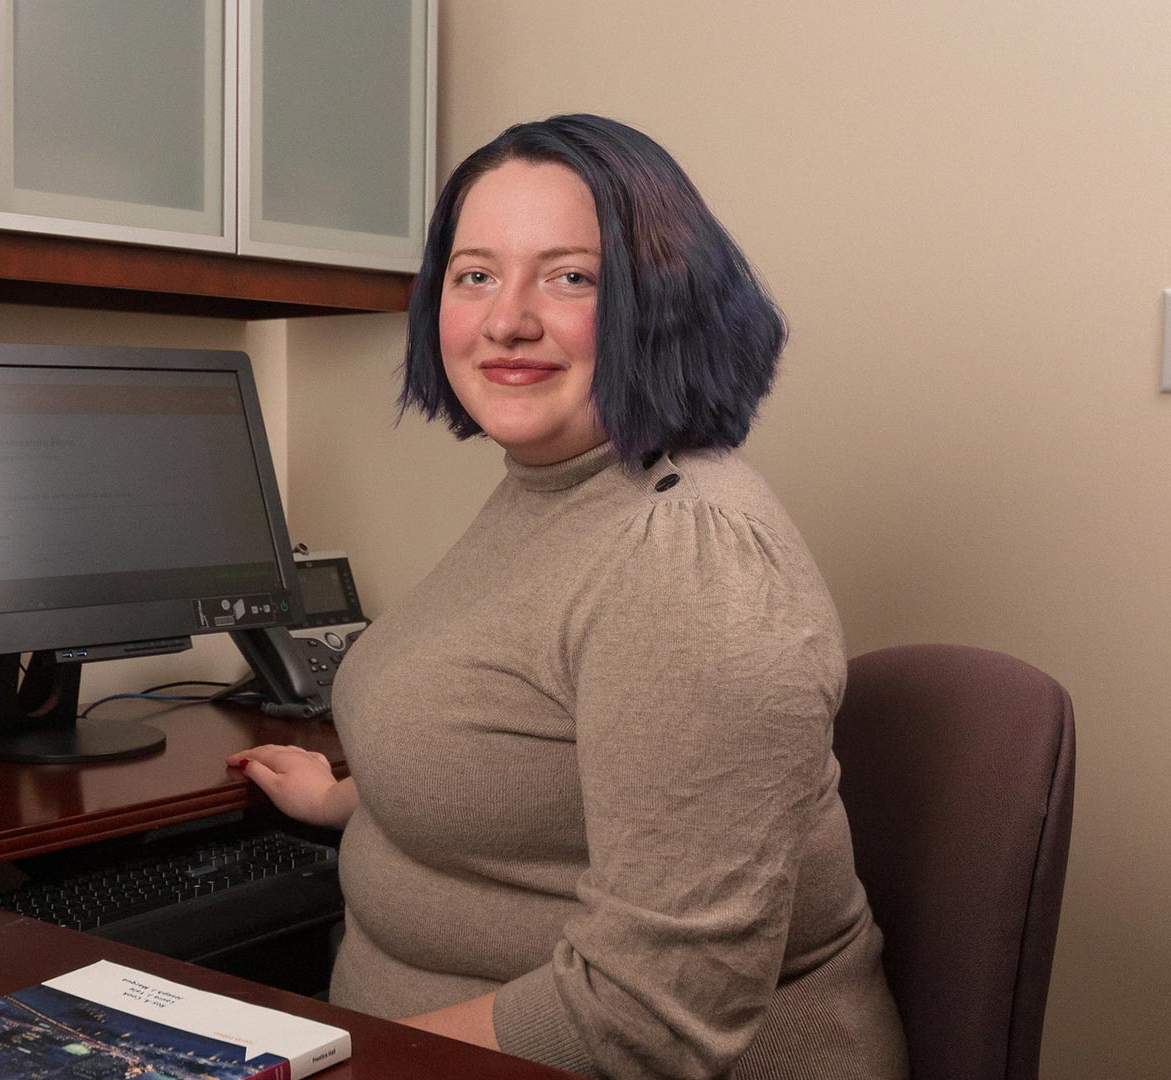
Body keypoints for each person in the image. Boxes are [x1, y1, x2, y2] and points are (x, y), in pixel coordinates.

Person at [229, 115, 908, 1080]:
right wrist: (348, 796)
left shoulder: (687, 557)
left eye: (570, 277)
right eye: (475, 275)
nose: (506, 319)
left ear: (662, 302)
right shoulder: (553, 488)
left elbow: (656, 1011)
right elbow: (528, 770)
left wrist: (343, 1064)